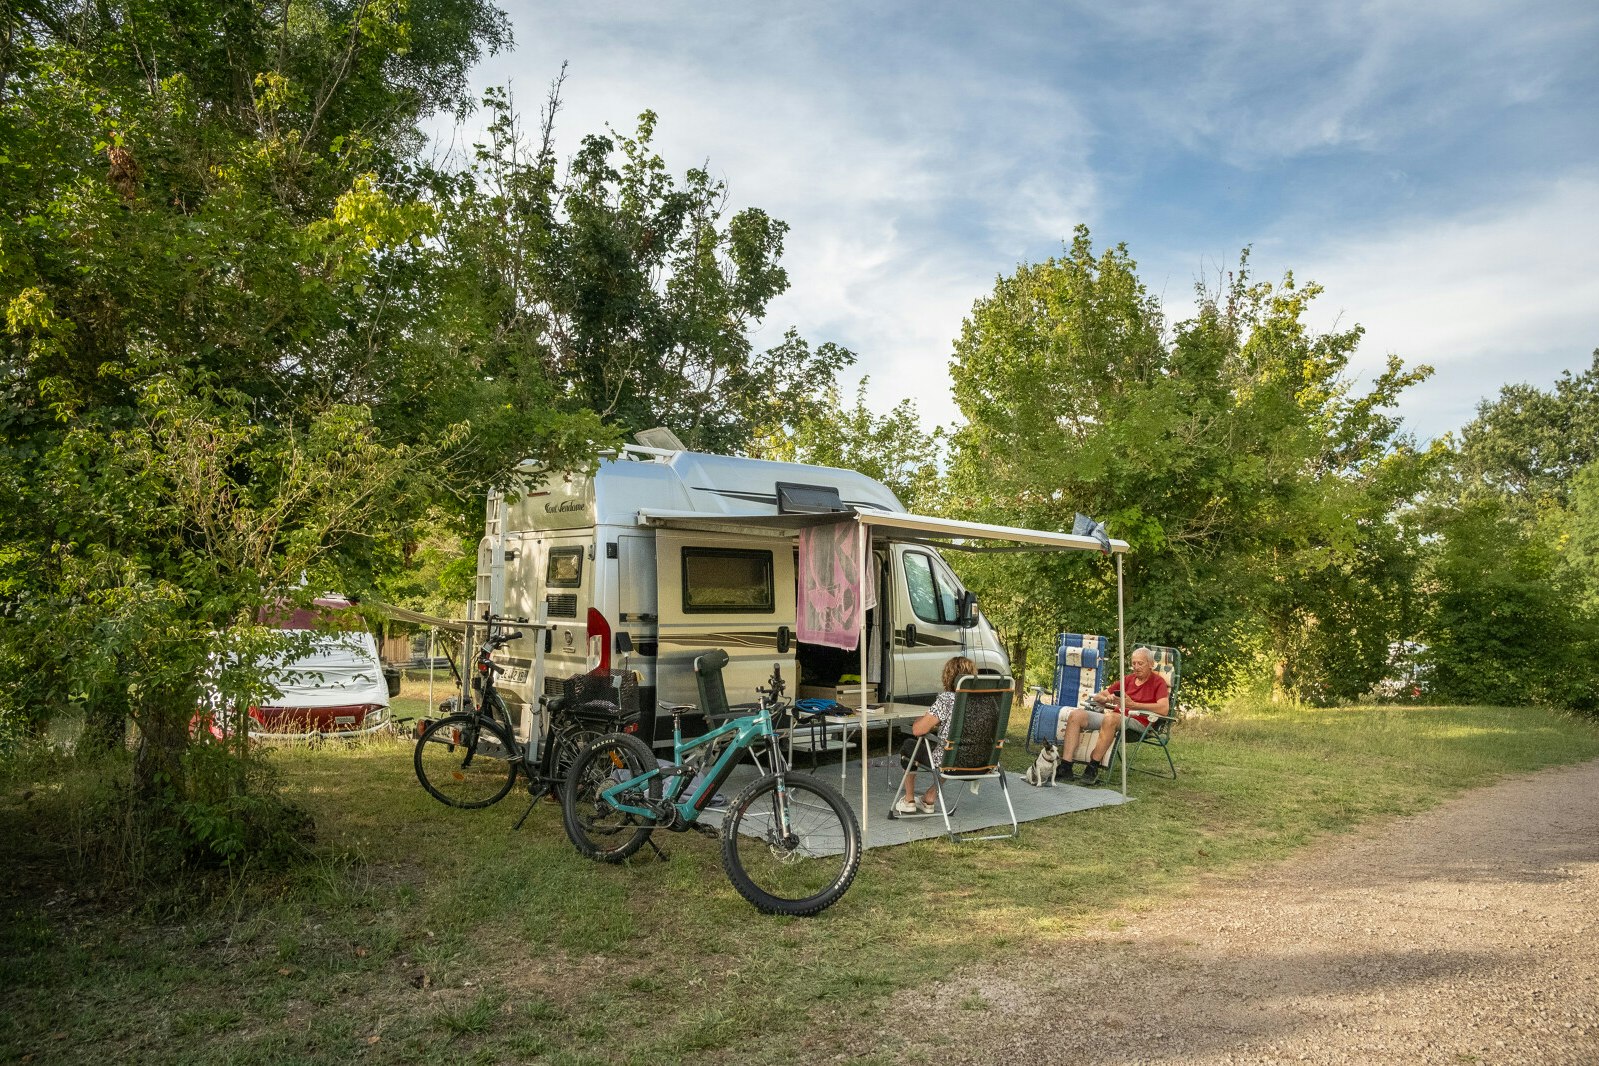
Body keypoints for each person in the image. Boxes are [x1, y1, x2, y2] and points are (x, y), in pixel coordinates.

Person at [1058, 646, 1169, 785]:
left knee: (1111, 718)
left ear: (1151, 664)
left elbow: (1164, 709)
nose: (1136, 667)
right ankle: (1065, 766)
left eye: (1140, 663)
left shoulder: (1158, 682)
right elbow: (1100, 695)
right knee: (1076, 715)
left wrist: (1134, 705)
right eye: (1133, 663)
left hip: (1139, 723)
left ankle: (1093, 767)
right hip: (1114, 720)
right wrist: (1105, 698)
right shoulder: (1128, 680)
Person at [895, 655, 976, 814]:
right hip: (978, 761)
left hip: (951, 761)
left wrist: (924, 719)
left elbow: (918, 730)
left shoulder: (947, 699)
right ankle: (930, 797)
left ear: (949, 676)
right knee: (951, 748)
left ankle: (909, 800)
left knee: (909, 746)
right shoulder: (984, 700)